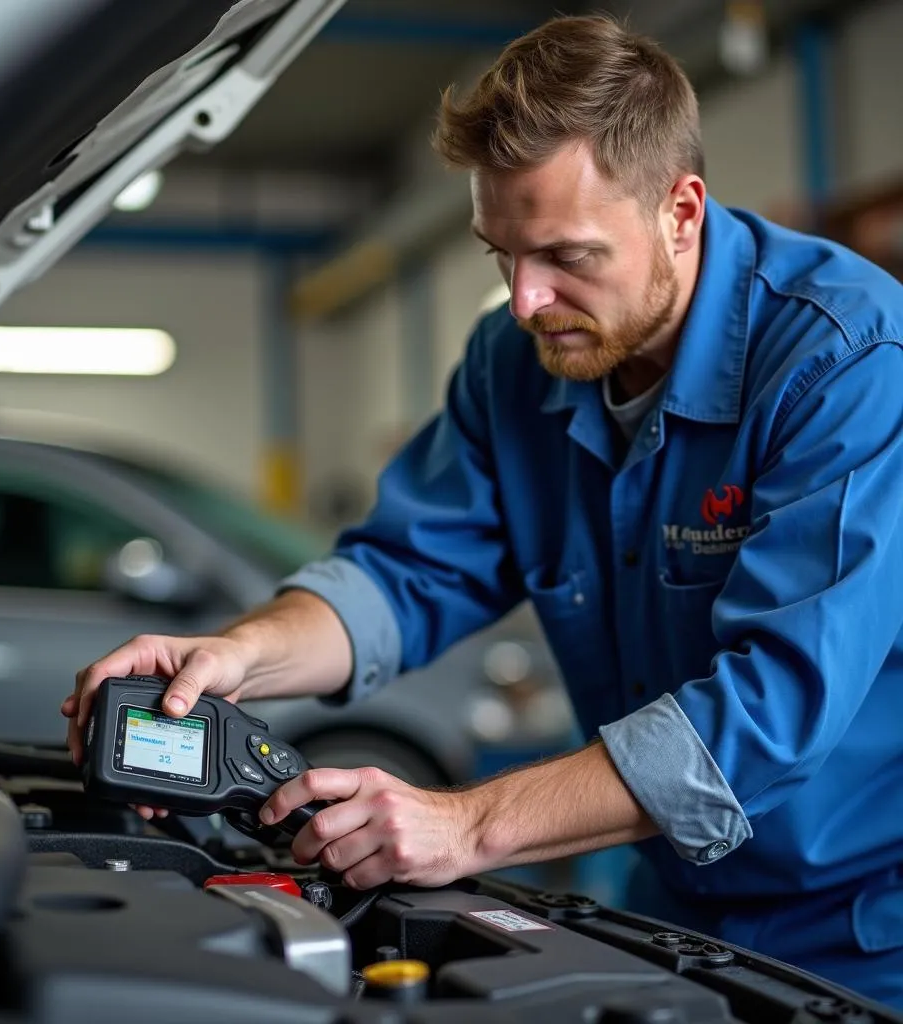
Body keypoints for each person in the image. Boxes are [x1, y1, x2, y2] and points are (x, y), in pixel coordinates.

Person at [63, 14, 903, 1008]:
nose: (524, 300)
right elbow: (402, 576)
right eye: (499, 255)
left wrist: (468, 823)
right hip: (677, 904)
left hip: (868, 923)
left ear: (681, 210)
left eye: (564, 256)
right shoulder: (517, 365)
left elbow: (769, 709)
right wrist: (243, 654)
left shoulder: (844, 361)